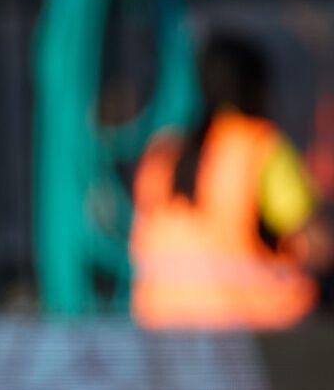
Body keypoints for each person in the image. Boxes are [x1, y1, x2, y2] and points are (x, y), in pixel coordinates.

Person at [130, 33, 329, 328]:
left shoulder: (161, 152)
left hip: (160, 329)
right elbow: (317, 247)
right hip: (251, 332)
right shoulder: (260, 148)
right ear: (257, 87)